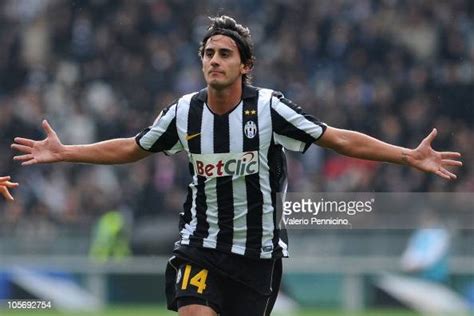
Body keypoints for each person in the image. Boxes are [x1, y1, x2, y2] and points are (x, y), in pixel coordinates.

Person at [11, 15, 462, 316]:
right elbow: (134, 147)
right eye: (208, 53)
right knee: (193, 309)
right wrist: (66, 150)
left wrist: (407, 155)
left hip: (258, 256)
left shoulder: (269, 109)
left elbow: (338, 139)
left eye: (224, 54)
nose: (214, 61)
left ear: (245, 65)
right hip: (200, 244)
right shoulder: (183, 113)